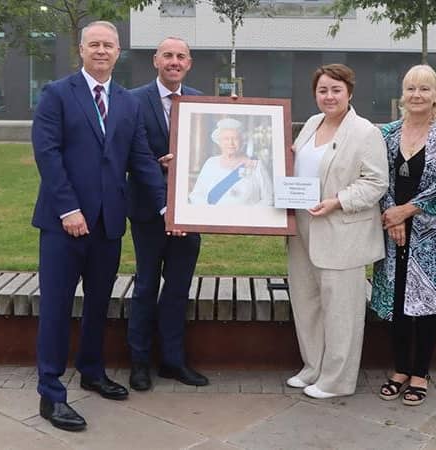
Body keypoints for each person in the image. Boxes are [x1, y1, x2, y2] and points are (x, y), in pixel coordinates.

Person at [32, 21, 167, 431]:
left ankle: (92, 371)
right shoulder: (57, 94)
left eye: (109, 45)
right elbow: (48, 154)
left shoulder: (128, 103)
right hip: (64, 224)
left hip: (109, 224)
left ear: (119, 50)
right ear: (81, 50)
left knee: (97, 305)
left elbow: (141, 159)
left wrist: (167, 210)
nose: (102, 51)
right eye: (94, 45)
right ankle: (51, 394)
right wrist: (68, 209)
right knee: (56, 307)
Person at [286, 64, 389, 399]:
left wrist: (337, 201)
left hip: (341, 230)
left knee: (341, 309)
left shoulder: (365, 132)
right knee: (307, 302)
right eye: (322, 90)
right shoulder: (311, 125)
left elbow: (376, 183)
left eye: (336, 90)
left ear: (350, 92)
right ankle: (313, 367)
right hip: (302, 228)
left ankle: (337, 380)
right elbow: (294, 164)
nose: (328, 96)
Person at [370, 65, 436, 406]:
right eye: (411, 88)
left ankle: (420, 373)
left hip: (430, 235)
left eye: (425, 89)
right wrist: (391, 215)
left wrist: (405, 211)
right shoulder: (388, 133)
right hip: (392, 231)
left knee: (425, 304)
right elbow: (378, 178)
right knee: (396, 300)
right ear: (402, 94)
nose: (417, 95)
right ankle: (400, 369)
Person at [127, 37, 208, 391]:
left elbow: (210, 153)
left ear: (188, 63)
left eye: (181, 56)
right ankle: (139, 363)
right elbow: (134, 156)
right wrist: (157, 174)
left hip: (191, 212)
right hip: (148, 212)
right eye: (168, 56)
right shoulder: (132, 101)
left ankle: (173, 362)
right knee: (145, 286)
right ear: (155, 60)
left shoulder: (202, 102)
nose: (174, 61)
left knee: (178, 288)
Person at [188, 117, 273, 206]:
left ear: (241, 141)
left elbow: (268, 198)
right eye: (226, 139)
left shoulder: (256, 165)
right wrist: (211, 213)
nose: (231, 143)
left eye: (235, 138)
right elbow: (196, 195)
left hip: (246, 219)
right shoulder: (211, 163)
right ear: (219, 142)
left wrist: (249, 215)